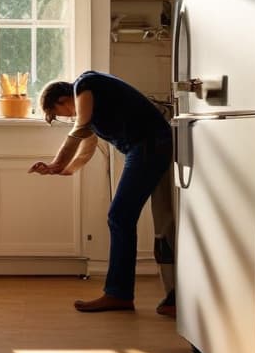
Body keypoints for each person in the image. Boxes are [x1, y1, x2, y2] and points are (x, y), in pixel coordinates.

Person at [28, 70, 175, 314]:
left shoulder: (85, 84)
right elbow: (87, 147)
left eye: (58, 114)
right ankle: (161, 296)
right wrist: (61, 170)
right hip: (148, 147)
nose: (65, 117)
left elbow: (78, 128)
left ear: (63, 100)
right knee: (145, 218)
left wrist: (56, 164)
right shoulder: (93, 108)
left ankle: (119, 294)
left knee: (120, 217)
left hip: (148, 146)